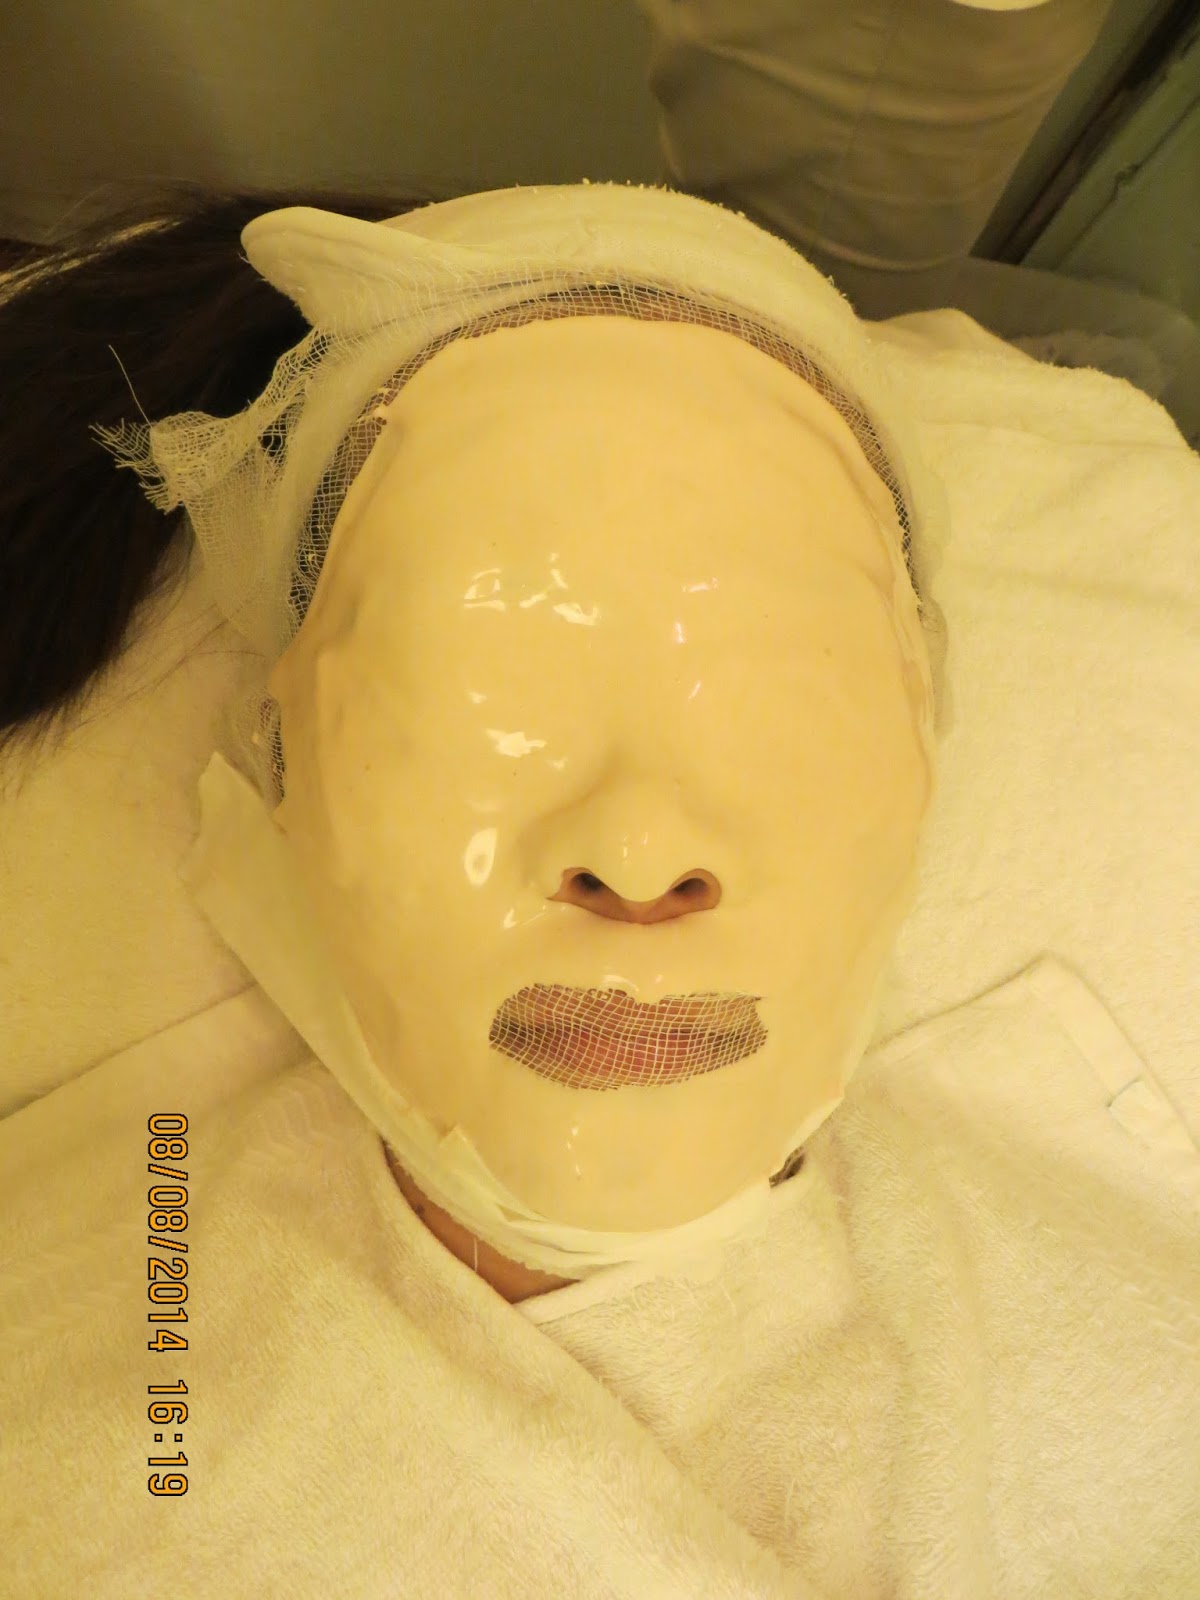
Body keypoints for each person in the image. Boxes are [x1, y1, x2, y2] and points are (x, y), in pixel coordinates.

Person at [1, 7, 1197, 1598]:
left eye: (770, 682)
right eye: (491, 681)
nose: (640, 859)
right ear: (279, 755)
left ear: (929, 731)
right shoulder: (96, 1413)